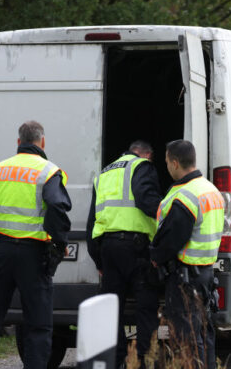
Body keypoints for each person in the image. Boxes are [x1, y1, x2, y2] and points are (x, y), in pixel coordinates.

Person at [0, 121, 72, 369]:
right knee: (38, 326)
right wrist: (59, 243)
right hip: (33, 256)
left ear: (18, 142)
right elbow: (57, 206)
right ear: (42, 142)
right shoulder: (48, 171)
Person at [86, 140, 162, 367]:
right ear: (146, 155)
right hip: (136, 248)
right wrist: (166, 211)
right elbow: (144, 198)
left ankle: (117, 360)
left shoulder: (103, 174)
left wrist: (97, 258)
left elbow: (93, 220)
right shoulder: (142, 166)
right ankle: (146, 361)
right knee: (145, 307)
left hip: (109, 249)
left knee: (112, 310)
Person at [150, 140, 224, 369]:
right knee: (204, 335)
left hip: (185, 280)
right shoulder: (211, 190)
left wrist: (155, 257)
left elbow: (172, 239)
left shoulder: (186, 196)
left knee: (187, 340)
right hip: (205, 276)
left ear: (174, 163)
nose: (166, 167)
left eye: (166, 162)